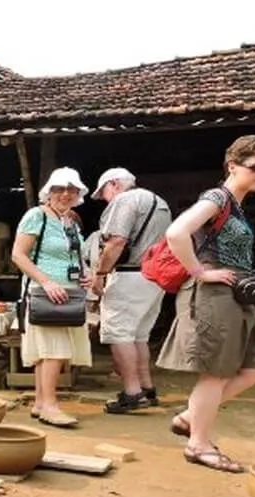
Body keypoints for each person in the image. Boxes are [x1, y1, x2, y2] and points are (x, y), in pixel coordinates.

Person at [157, 135, 255, 473]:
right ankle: (197, 444)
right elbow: (176, 232)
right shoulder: (216, 198)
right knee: (216, 374)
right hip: (214, 293)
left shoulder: (236, 205)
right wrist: (199, 272)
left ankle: (189, 417)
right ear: (232, 166)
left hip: (236, 294)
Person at [10, 167, 93, 427]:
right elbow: (18, 255)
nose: (65, 194)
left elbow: (75, 257)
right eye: (59, 189)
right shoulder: (37, 216)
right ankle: (49, 405)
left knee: (50, 351)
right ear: (49, 192)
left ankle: (39, 402)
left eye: (71, 189)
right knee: (54, 350)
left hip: (68, 292)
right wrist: (46, 282)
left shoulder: (69, 222)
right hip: (45, 292)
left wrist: (87, 274)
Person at [90, 168, 173, 413]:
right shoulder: (159, 202)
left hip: (130, 275)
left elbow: (117, 241)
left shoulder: (125, 200)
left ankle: (132, 392)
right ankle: (147, 388)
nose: (105, 199)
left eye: (103, 192)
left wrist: (100, 274)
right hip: (154, 275)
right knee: (139, 335)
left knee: (119, 334)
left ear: (114, 184)